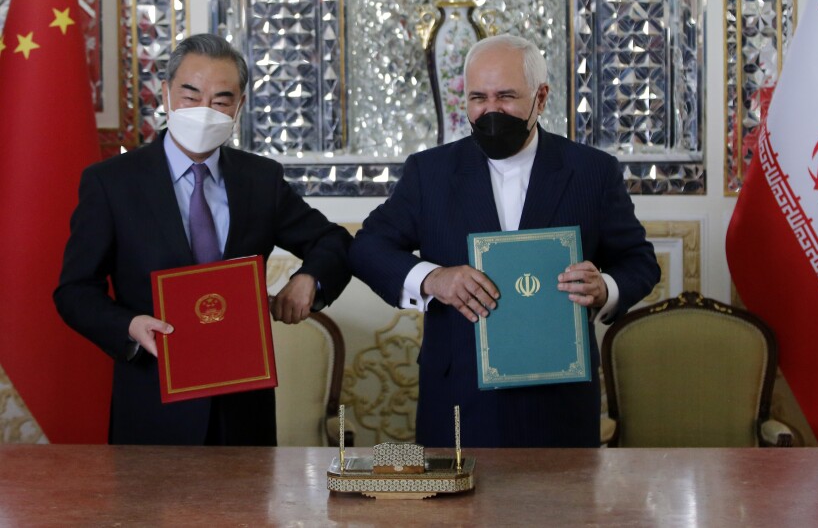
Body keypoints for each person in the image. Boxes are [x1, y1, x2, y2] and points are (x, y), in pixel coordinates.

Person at [349, 34, 659, 448]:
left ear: (541, 97)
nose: (490, 110)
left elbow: (639, 261)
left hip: (559, 396)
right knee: (459, 513)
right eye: (478, 97)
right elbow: (367, 248)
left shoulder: (592, 172)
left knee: (561, 509)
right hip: (458, 393)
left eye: (506, 96)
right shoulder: (430, 172)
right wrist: (433, 278)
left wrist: (606, 288)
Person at [54, 33, 352, 446]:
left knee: (247, 513)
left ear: (239, 106)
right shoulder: (111, 183)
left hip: (244, 412)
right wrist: (128, 326)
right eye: (190, 96)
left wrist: (309, 281)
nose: (203, 110)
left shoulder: (259, 179)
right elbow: (74, 291)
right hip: (152, 407)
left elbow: (332, 241)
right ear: (166, 93)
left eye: (220, 100)